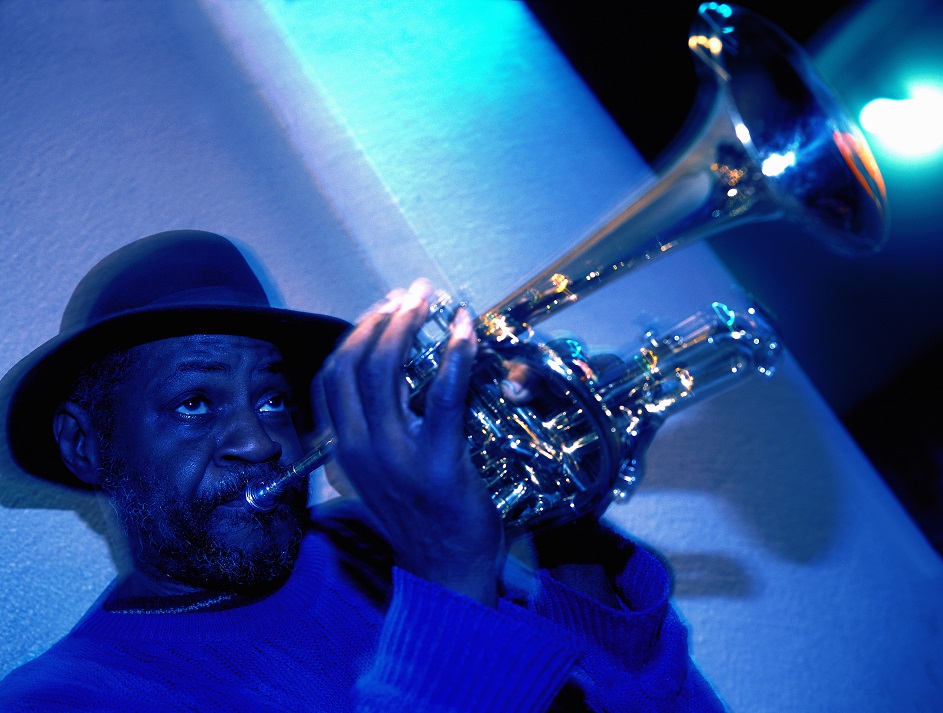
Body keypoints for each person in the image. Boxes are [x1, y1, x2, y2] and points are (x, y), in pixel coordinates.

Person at [0, 230, 726, 712]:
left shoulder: (366, 540)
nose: (259, 440)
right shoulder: (61, 698)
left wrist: (567, 536)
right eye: (194, 402)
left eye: (275, 397)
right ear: (84, 446)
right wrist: (447, 584)